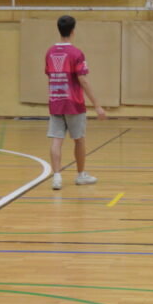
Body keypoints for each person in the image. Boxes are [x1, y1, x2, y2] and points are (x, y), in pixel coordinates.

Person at [45, 15, 107, 190]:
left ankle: (56, 177)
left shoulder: (50, 52)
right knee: (79, 139)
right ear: (73, 31)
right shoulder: (76, 53)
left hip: (55, 101)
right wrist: (97, 105)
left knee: (57, 139)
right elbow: (83, 80)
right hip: (73, 102)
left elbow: (50, 75)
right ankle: (80, 175)